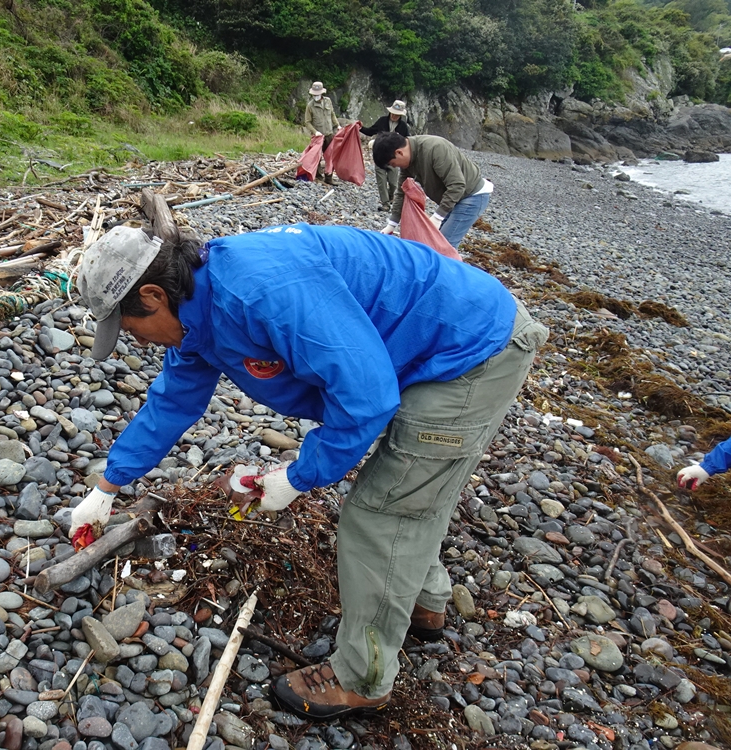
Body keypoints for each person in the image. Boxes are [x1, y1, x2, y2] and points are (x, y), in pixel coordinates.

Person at [70, 222, 548, 720]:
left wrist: (297, 477)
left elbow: (366, 397)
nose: (138, 343)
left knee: (382, 513)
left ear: (153, 294)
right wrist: (108, 486)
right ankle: (424, 604)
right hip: (427, 346)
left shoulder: (260, 293)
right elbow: (171, 403)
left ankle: (362, 678)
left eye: (129, 328)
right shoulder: (195, 308)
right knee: (413, 490)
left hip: (472, 349)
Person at [373, 132, 493, 249]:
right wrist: (392, 224)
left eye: (393, 164)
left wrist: (437, 217)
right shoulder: (408, 160)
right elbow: (402, 192)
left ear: (399, 152)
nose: (395, 167)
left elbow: (457, 185)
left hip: (472, 195)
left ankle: (452, 268)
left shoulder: (435, 149)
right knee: (434, 243)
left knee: (444, 247)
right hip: (453, 198)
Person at [360, 100, 410, 210]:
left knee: (393, 182)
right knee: (381, 181)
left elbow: (407, 141)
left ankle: (392, 197)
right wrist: (360, 127)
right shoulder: (382, 121)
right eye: (393, 113)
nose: (394, 116)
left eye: (397, 115)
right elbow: (370, 131)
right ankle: (385, 204)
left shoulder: (403, 126)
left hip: (394, 158)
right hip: (380, 155)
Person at [304, 81, 341, 185]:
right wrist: (315, 132)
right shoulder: (310, 106)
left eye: (317, 94)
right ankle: (318, 177)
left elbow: (332, 114)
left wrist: (337, 125)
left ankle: (329, 177)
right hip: (318, 137)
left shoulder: (328, 101)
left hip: (329, 133)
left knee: (330, 156)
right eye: (314, 94)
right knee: (316, 156)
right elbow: (307, 122)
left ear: (321, 93)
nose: (316, 96)